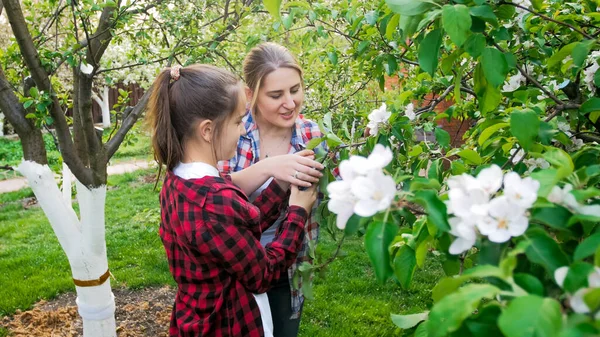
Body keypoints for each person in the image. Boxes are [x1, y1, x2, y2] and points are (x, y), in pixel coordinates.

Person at [147, 63, 322, 337]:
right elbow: (264, 274)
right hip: (229, 324)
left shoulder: (179, 182)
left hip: (196, 318)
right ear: (207, 130)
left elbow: (237, 230)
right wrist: (298, 211)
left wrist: (280, 183)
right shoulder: (213, 202)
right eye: (238, 121)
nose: (242, 131)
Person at [219, 42, 335, 336]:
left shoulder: (311, 134)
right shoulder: (231, 133)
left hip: (289, 264)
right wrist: (270, 169)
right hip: (235, 269)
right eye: (276, 95)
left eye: (295, 90)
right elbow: (212, 196)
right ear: (250, 95)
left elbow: (336, 187)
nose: (290, 103)